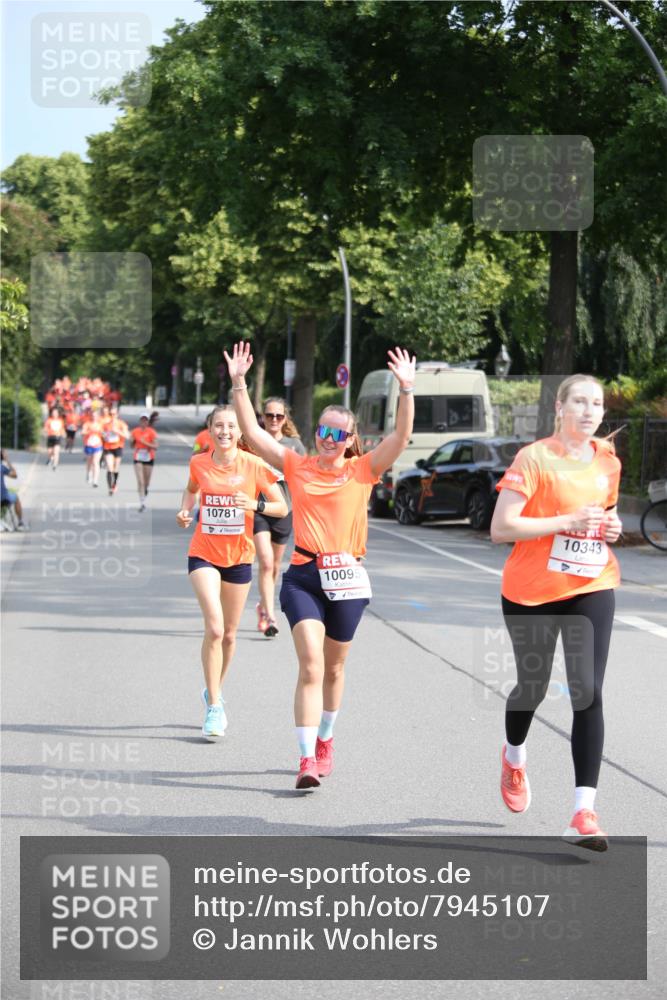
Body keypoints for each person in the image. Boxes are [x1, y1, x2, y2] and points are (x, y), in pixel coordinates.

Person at [225, 340, 416, 789]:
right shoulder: (297, 466)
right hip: (305, 578)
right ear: (316, 436)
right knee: (311, 665)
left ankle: (326, 738)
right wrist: (238, 383)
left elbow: (401, 438)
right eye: (323, 432)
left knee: (334, 668)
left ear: (350, 440)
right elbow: (252, 433)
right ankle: (306, 759)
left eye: (338, 434)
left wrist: (406, 390)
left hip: (347, 579)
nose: (329, 440)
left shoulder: (363, 471)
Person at [490, 374, 623, 852]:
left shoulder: (608, 461)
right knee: (534, 686)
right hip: (531, 592)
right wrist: (566, 521)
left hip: (591, 583)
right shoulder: (535, 458)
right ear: (560, 409)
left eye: (597, 403)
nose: (590, 411)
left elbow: (603, 513)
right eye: (580, 402)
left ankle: (583, 811)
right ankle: (514, 755)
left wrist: (611, 525)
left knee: (588, 691)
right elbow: (501, 527)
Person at [176, 404, 288, 741]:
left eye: (231, 426)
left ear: (240, 433)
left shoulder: (253, 464)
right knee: (213, 626)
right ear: (209, 430)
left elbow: (282, 506)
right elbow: (191, 490)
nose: (225, 431)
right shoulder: (198, 462)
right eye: (219, 426)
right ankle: (214, 707)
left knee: (229, 634)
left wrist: (254, 505)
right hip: (203, 554)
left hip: (239, 557)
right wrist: (185, 511)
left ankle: (215, 690)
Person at [253, 397, 306, 638]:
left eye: (279, 416)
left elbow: (306, 477)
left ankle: (263, 604)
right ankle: (269, 615)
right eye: (269, 415)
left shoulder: (294, 445)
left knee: (274, 565)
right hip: (258, 508)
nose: (274, 420)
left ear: (285, 419)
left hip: (285, 510)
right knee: (264, 562)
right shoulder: (253, 441)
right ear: (262, 417)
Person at [130, 413, 159, 511]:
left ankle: (145, 490)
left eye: (145, 420)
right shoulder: (135, 431)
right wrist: (132, 441)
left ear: (148, 422)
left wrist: (144, 442)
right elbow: (131, 445)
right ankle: (142, 502)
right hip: (138, 457)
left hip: (148, 457)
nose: (143, 422)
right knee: (140, 481)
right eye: (142, 420)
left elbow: (156, 446)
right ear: (139, 421)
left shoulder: (152, 432)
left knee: (147, 482)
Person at [102, 407, 130, 495]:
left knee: (116, 468)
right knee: (109, 467)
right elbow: (103, 435)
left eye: (114, 414)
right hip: (108, 447)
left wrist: (117, 431)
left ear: (117, 414)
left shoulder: (122, 424)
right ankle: (110, 487)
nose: (112, 416)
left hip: (118, 447)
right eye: (111, 414)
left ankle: (115, 483)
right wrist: (104, 436)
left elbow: (127, 436)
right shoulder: (106, 424)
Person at [1, 450, 28, 530]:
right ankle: (20, 523)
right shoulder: (2, 467)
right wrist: (8, 461)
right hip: (3, 498)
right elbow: (15, 475)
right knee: (16, 497)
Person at [81, 412, 105, 487]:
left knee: (95, 462)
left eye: (95, 416)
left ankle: (95, 480)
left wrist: (101, 432)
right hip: (89, 445)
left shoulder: (101, 424)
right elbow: (82, 432)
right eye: (92, 415)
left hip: (98, 445)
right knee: (89, 462)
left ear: (98, 417)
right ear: (91, 416)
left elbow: (105, 434)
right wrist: (90, 431)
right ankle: (88, 473)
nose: (94, 417)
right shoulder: (87, 424)